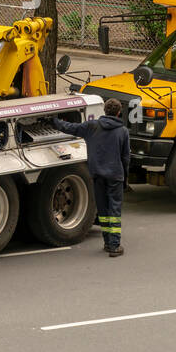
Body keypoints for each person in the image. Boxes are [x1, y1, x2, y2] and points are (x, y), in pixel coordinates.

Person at [52, 99, 131, 257]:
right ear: (118, 112)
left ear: (104, 111)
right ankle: (115, 246)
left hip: (97, 174)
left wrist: (53, 120)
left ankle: (108, 242)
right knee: (114, 209)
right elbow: (126, 158)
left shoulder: (91, 126)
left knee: (102, 209)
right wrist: (125, 178)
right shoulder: (122, 131)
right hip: (115, 175)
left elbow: (70, 128)